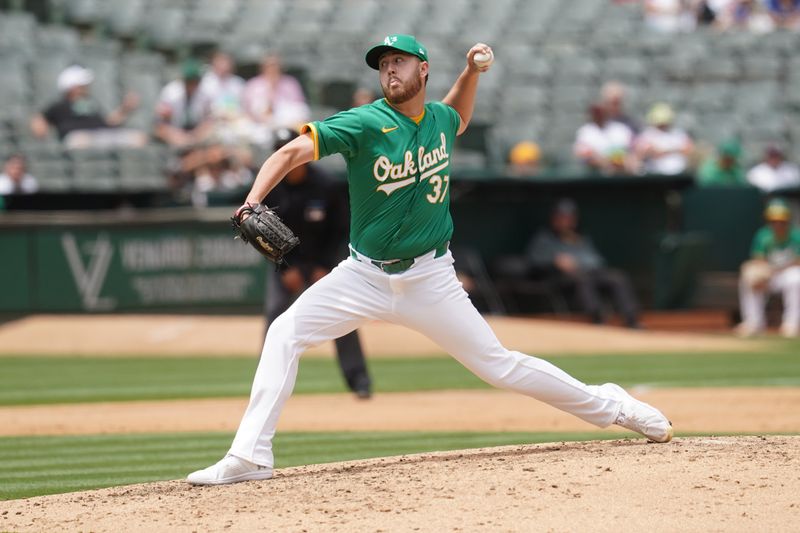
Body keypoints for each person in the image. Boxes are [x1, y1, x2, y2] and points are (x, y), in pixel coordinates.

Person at [186, 34, 672, 486]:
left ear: (423, 69)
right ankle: (250, 456)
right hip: (363, 276)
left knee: (499, 366)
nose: (389, 71)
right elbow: (292, 152)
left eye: (398, 62)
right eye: (383, 65)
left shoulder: (438, 119)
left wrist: (471, 73)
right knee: (284, 333)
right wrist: (251, 200)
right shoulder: (365, 122)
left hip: (430, 277)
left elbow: (456, 116)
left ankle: (614, 406)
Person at [262, 128, 372, 398]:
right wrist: (286, 268)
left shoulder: (326, 185)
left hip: (324, 262)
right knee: (275, 313)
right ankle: (268, 384)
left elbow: (342, 229)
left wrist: (325, 267)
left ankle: (359, 380)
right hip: (287, 264)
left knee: (343, 316)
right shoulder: (271, 190)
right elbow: (262, 234)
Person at [525, 198, 642, 329]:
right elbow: (533, 262)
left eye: (569, 218)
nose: (566, 221)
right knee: (583, 280)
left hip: (588, 272)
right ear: (554, 218)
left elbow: (598, 261)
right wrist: (555, 261)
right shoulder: (544, 238)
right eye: (562, 217)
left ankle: (631, 319)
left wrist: (580, 262)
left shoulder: (580, 238)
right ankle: (597, 318)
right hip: (558, 278)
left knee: (617, 277)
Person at [30, 65, 147, 150]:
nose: (86, 87)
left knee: (139, 138)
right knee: (81, 142)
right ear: (71, 87)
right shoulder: (60, 105)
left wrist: (125, 109)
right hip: (79, 138)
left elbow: (108, 122)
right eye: (81, 85)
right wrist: (43, 137)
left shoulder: (91, 104)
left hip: (101, 135)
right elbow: (39, 120)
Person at [736, 198, 800, 338]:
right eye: (774, 221)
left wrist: (775, 269)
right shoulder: (763, 235)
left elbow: (798, 262)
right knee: (749, 279)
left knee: (796, 278)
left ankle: (792, 324)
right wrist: (762, 274)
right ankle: (753, 323)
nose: (777, 224)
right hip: (771, 275)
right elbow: (758, 259)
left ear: (787, 220)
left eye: (781, 221)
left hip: (787, 274)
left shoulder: (796, 235)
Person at [242, 53, 310, 147]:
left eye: (275, 65)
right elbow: (248, 110)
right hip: (260, 127)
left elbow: (300, 109)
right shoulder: (253, 85)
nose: (273, 68)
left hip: (289, 125)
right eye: (270, 65)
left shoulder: (290, 84)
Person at [573, 103, 635, 175]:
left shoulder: (620, 128)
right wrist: (606, 163)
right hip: (596, 175)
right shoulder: (585, 132)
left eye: (601, 112)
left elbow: (632, 150)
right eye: (596, 112)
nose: (599, 115)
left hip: (624, 171)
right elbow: (582, 153)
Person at [634, 103, 693, 176]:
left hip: (679, 174)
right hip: (656, 175)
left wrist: (664, 151)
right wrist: (676, 150)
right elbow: (644, 152)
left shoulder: (678, 134)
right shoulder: (647, 134)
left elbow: (688, 149)